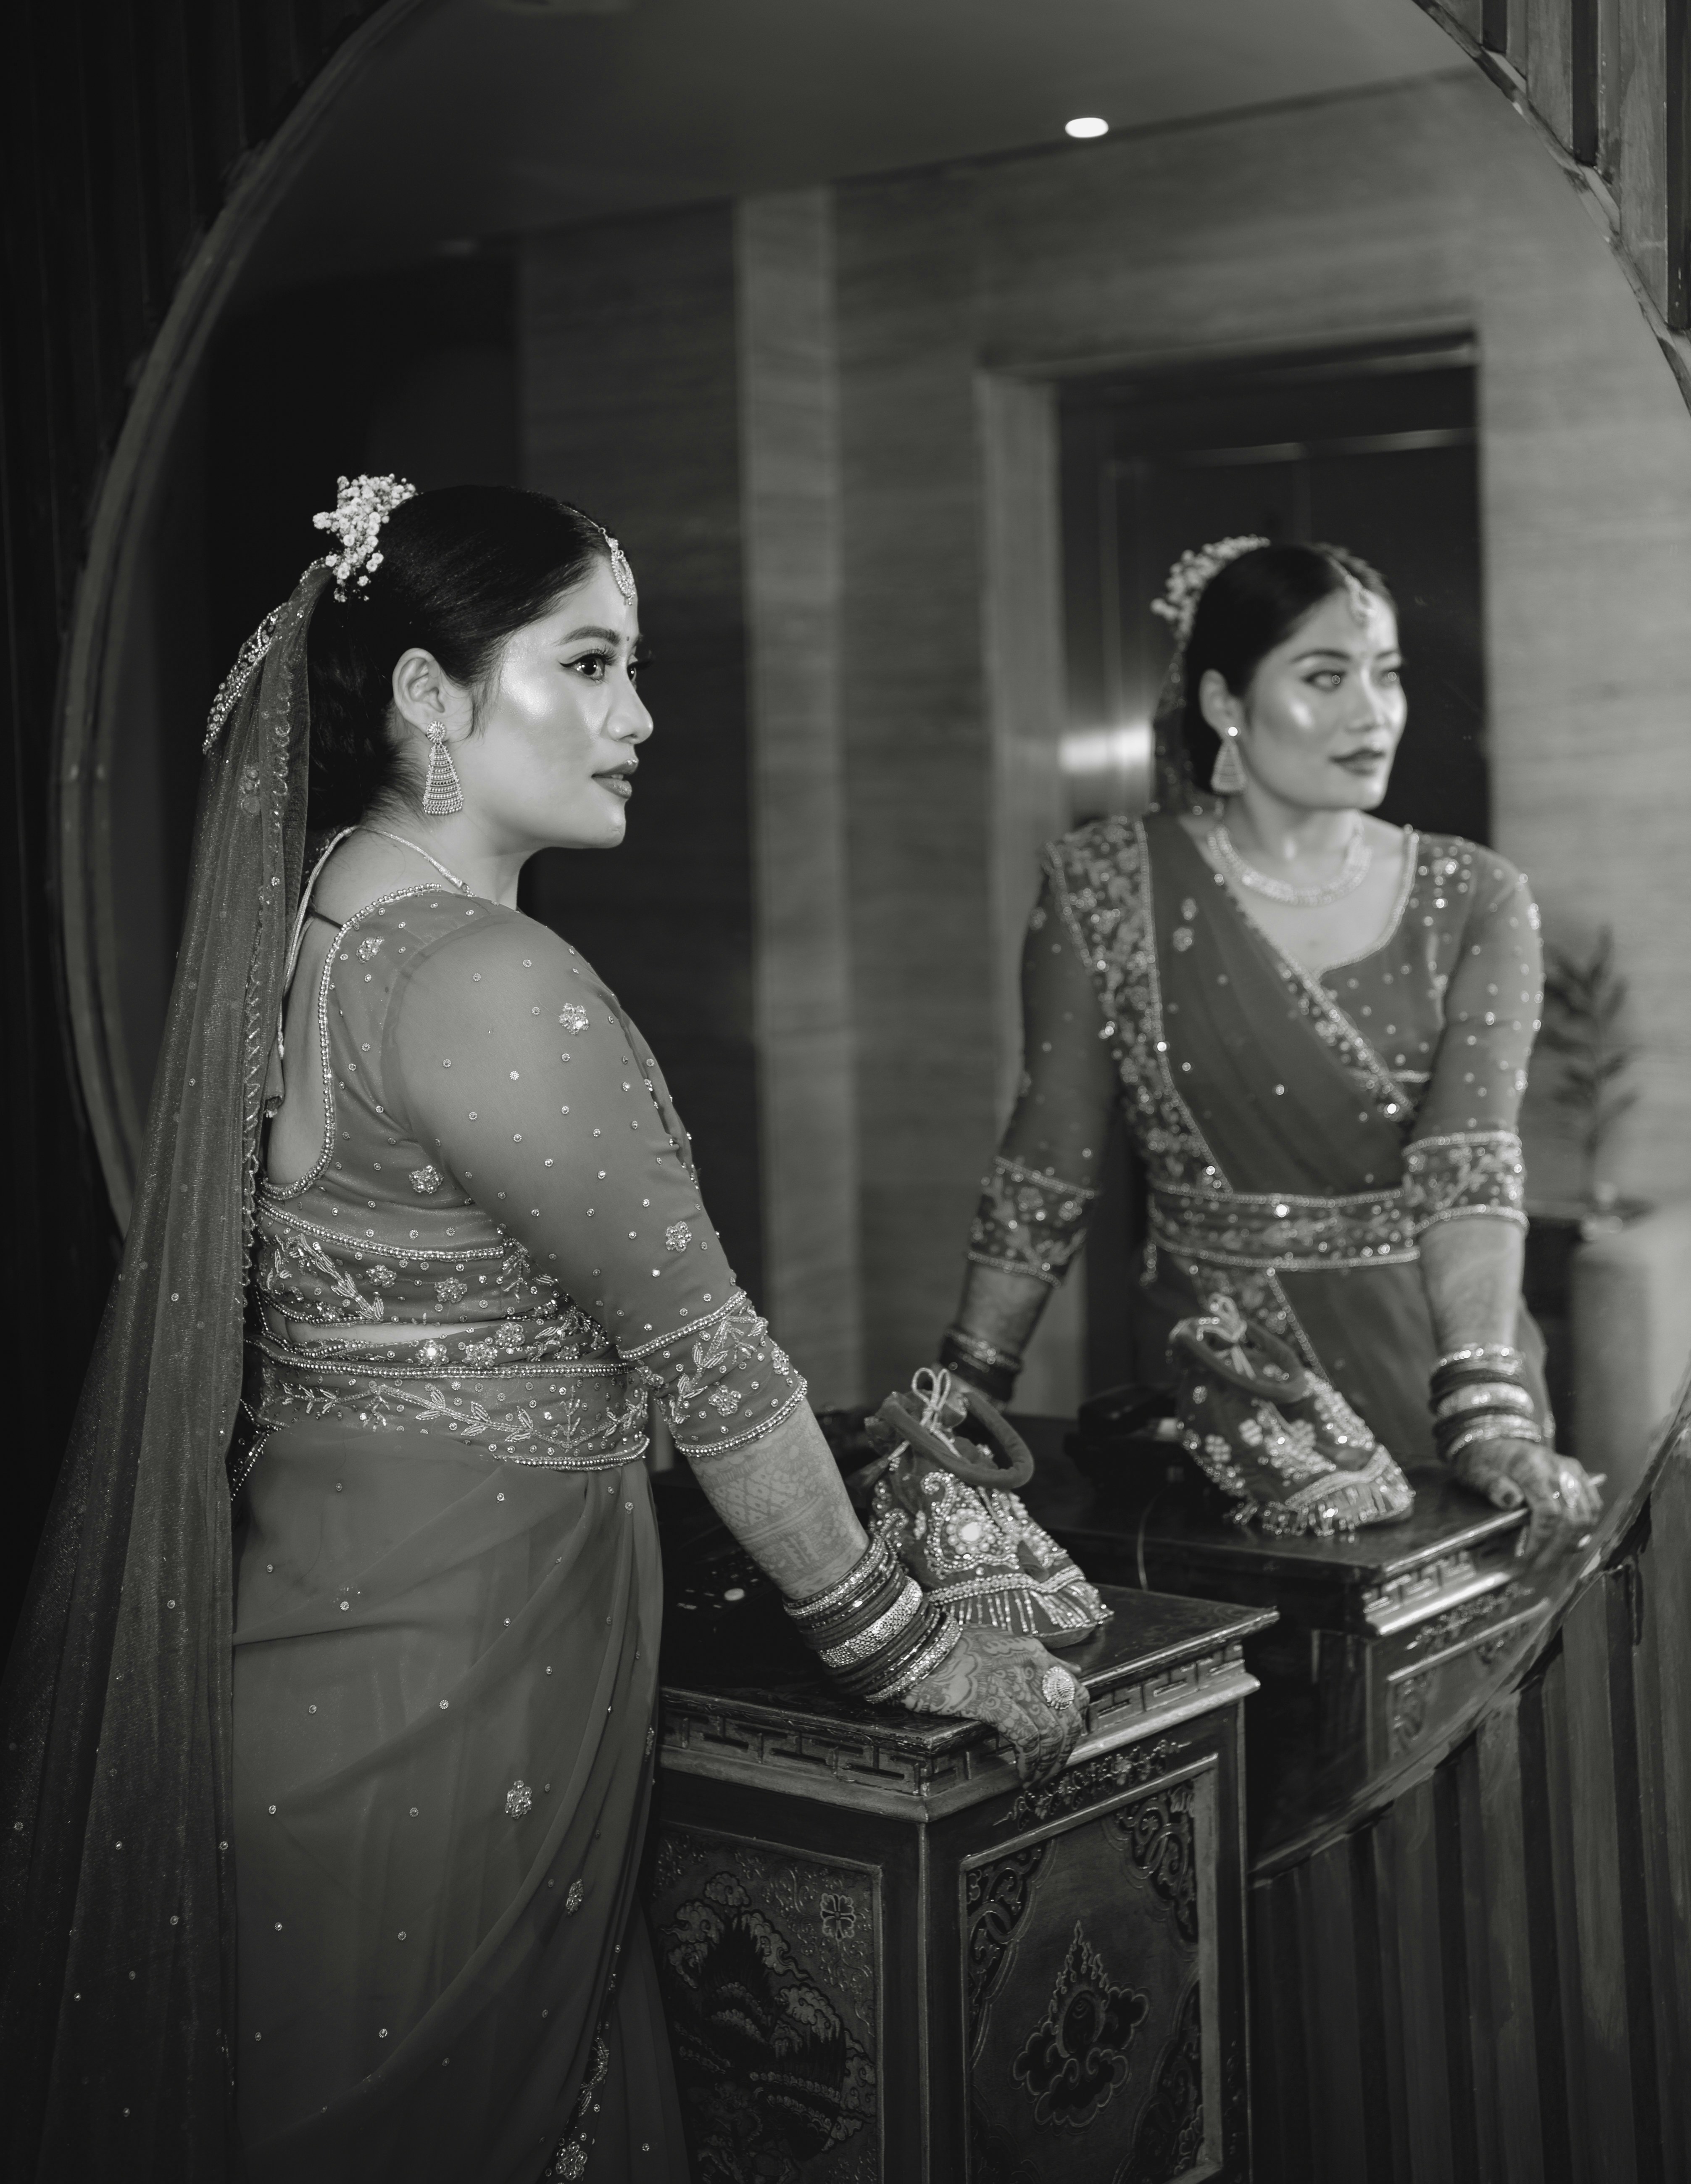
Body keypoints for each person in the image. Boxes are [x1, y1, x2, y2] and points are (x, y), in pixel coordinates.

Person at [0, 479, 1088, 2184]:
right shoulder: (487, 980)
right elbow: (715, 1369)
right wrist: (907, 1646)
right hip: (453, 1704)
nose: (634, 717)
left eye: (630, 669)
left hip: (317, 1665)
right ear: (432, 696)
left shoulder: (317, 930)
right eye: (585, 665)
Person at [938, 536, 1604, 1562]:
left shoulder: (1473, 896)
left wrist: (1486, 1411)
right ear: (1222, 703)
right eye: (1324, 676)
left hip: (1438, 1365)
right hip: (1218, 1387)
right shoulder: (1107, 887)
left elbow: (1466, 1164)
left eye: (1385, 675)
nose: (1371, 711)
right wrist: (962, 1394)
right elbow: (1047, 1161)